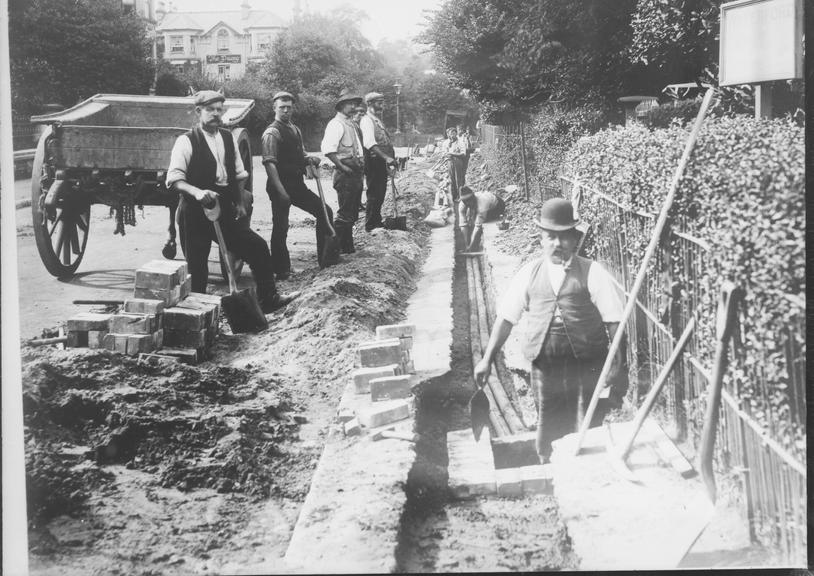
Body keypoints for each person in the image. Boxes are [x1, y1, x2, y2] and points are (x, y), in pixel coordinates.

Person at [473, 198, 628, 463]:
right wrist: (487, 359)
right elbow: (506, 319)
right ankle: (548, 464)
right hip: (545, 362)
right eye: (550, 237)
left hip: (587, 361)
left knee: (587, 419)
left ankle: (587, 473)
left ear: (575, 239)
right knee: (549, 417)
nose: (557, 244)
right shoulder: (528, 274)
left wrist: (617, 363)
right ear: (541, 239)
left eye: (564, 237)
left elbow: (614, 322)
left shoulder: (593, 273)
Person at [167, 90, 297, 312]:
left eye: (219, 110)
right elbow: (175, 179)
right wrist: (197, 192)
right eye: (210, 110)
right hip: (195, 213)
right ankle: (200, 318)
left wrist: (238, 201)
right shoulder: (186, 141)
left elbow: (239, 174)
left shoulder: (228, 138)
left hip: (224, 209)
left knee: (256, 247)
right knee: (197, 270)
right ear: (199, 112)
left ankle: (268, 299)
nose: (216, 114)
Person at [261, 91, 334, 279]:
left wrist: (310, 158)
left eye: (289, 107)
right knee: (281, 227)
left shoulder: (294, 129)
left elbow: (300, 153)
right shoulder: (272, 132)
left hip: (297, 185)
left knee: (325, 211)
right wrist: (281, 191)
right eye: (282, 107)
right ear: (274, 108)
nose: (286, 110)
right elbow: (270, 163)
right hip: (280, 187)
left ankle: (326, 260)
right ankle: (281, 269)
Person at [321, 89, 365, 253]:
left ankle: (348, 247)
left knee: (352, 212)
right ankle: (336, 249)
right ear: (341, 106)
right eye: (350, 104)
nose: (353, 107)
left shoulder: (351, 124)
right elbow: (328, 150)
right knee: (345, 213)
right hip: (345, 174)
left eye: (355, 104)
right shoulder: (336, 124)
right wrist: (342, 167)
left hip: (355, 174)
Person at [359, 92, 397, 232]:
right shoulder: (366, 120)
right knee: (374, 193)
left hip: (381, 162)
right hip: (374, 162)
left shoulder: (376, 120)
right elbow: (369, 143)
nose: (382, 105)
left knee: (380, 192)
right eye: (378, 103)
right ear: (369, 104)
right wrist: (386, 157)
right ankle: (370, 224)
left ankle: (376, 220)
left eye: (382, 102)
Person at [457, 185, 505, 252]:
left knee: (478, 222)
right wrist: (464, 245)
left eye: (469, 200)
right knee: (469, 218)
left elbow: (478, 227)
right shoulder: (462, 204)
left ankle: (474, 245)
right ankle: (468, 243)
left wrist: (471, 247)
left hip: (497, 206)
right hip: (481, 205)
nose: (467, 203)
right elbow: (463, 225)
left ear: (473, 197)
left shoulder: (482, 203)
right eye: (465, 201)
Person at [440, 126, 467, 201]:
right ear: (448, 135)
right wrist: (446, 154)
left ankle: (460, 196)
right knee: (451, 180)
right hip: (449, 161)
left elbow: (463, 154)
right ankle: (453, 196)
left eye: (454, 134)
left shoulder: (460, 142)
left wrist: (452, 153)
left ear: (456, 134)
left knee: (458, 179)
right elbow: (443, 153)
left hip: (458, 161)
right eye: (451, 134)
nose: (452, 136)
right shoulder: (446, 143)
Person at [351, 104, 368, 212]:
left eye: (362, 114)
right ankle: (355, 204)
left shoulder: (358, 126)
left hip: (361, 157)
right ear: (353, 114)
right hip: (353, 157)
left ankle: (358, 203)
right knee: (354, 183)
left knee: (360, 182)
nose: (360, 116)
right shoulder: (351, 125)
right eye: (358, 114)